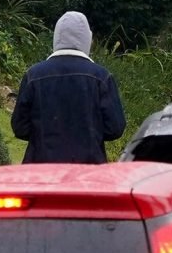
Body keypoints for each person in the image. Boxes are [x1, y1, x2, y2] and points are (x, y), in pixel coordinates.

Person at [11, 11, 125, 163]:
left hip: (41, 168)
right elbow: (115, 128)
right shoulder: (101, 78)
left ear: (57, 38)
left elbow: (20, 127)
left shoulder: (34, 75)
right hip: (87, 170)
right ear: (87, 39)